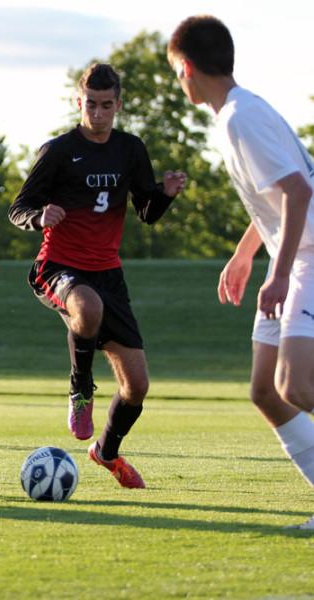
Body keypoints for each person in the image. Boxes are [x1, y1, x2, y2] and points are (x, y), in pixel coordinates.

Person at [8, 63, 187, 488]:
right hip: (59, 266)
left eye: (107, 105)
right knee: (86, 307)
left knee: (137, 386)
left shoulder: (130, 149)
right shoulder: (57, 151)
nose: (98, 113)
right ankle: (80, 389)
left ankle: (106, 451)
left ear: (118, 105)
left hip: (108, 272)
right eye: (91, 104)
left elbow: (146, 212)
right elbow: (18, 209)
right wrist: (39, 217)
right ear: (79, 102)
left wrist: (164, 194)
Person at [168, 15, 314, 529]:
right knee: (265, 390)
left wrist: (278, 275)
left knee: (296, 384)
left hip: (308, 258)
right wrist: (246, 252)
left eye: (175, 71)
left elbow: (300, 192)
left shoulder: (239, 118)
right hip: (288, 256)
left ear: (185, 67)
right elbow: (275, 199)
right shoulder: (238, 112)